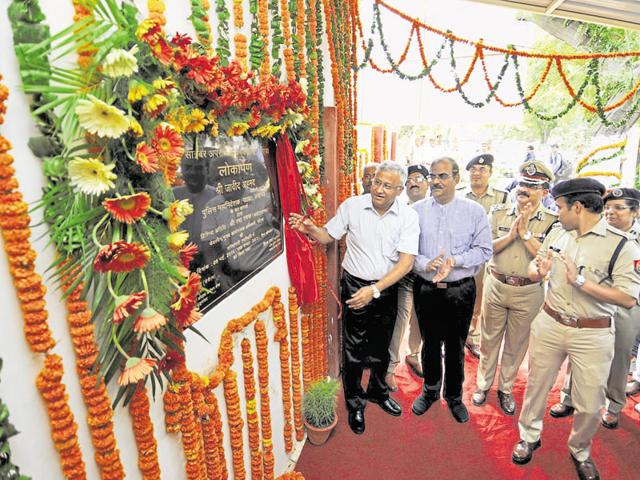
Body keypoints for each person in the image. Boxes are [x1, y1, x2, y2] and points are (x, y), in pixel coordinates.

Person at [512, 178, 640, 480]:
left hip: (593, 332)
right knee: (535, 388)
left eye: (559, 208)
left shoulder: (621, 244)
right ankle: (529, 436)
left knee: (590, 402)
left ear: (578, 207)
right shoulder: (559, 232)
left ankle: (580, 450)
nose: (557, 214)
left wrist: (580, 282)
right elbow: (537, 266)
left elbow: (628, 297)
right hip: (550, 322)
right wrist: (537, 271)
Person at [289, 161, 420, 435]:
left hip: (386, 287)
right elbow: (328, 236)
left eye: (387, 185)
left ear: (399, 189)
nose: (379, 189)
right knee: (353, 348)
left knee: (383, 344)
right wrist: (310, 229)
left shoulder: (408, 217)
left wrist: (374, 290)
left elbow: (406, 263)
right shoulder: (352, 206)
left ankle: (378, 393)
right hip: (354, 283)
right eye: (376, 182)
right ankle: (355, 402)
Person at [548, 187, 640, 430]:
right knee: (578, 349)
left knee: (619, 357)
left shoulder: (634, 242)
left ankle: (613, 405)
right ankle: (568, 397)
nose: (611, 212)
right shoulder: (591, 234)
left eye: (619, 208)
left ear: (635, 212)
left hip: (626, 308)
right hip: (589, 301)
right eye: (608, 207)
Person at [411, 157, 492, 423]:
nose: (435, 181)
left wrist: (454, 261)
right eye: (432, 176)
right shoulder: (417, 210)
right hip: (427, 288)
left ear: (457, 179)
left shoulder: (474, 211)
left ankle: (455, 397)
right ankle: (430, 391)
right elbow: (408, 251)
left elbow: (484, 250)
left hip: (460, 290)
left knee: (456, 347)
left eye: (442, 176)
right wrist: (426, 263)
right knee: (430, 343)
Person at [472, 161, 557, 416]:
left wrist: (526, 235)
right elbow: (484, 248)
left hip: (529, 291)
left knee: (517, 343)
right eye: (522, 184)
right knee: (489, 340)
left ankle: (505, 388)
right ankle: (483, 385)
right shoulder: (498, 212)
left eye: (532, 186)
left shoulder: (552, 221)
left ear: (545, 191)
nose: (524, 189)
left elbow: (547, 258)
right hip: (496, 285)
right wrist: (510, 236)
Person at [457, 153, 510, 359]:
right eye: (473, 170)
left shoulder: (502, 196)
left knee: (480, 299)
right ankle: (452, 337)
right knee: (455, 297)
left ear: (490, 173)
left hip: (486, 257)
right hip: (461, 255)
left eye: (482, 170)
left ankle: (473, 337)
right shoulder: (459, 194)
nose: (477, 174)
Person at [386, 164, 429, 391]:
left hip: (428, 276)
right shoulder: (398, 210)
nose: (414, 182)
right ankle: (390, 368)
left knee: (422, 320)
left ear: (428, 183)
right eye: (410, 179)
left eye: (419, 178)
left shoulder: (436, 209)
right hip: (404, 276)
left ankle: (414, 355)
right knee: (399, 321)